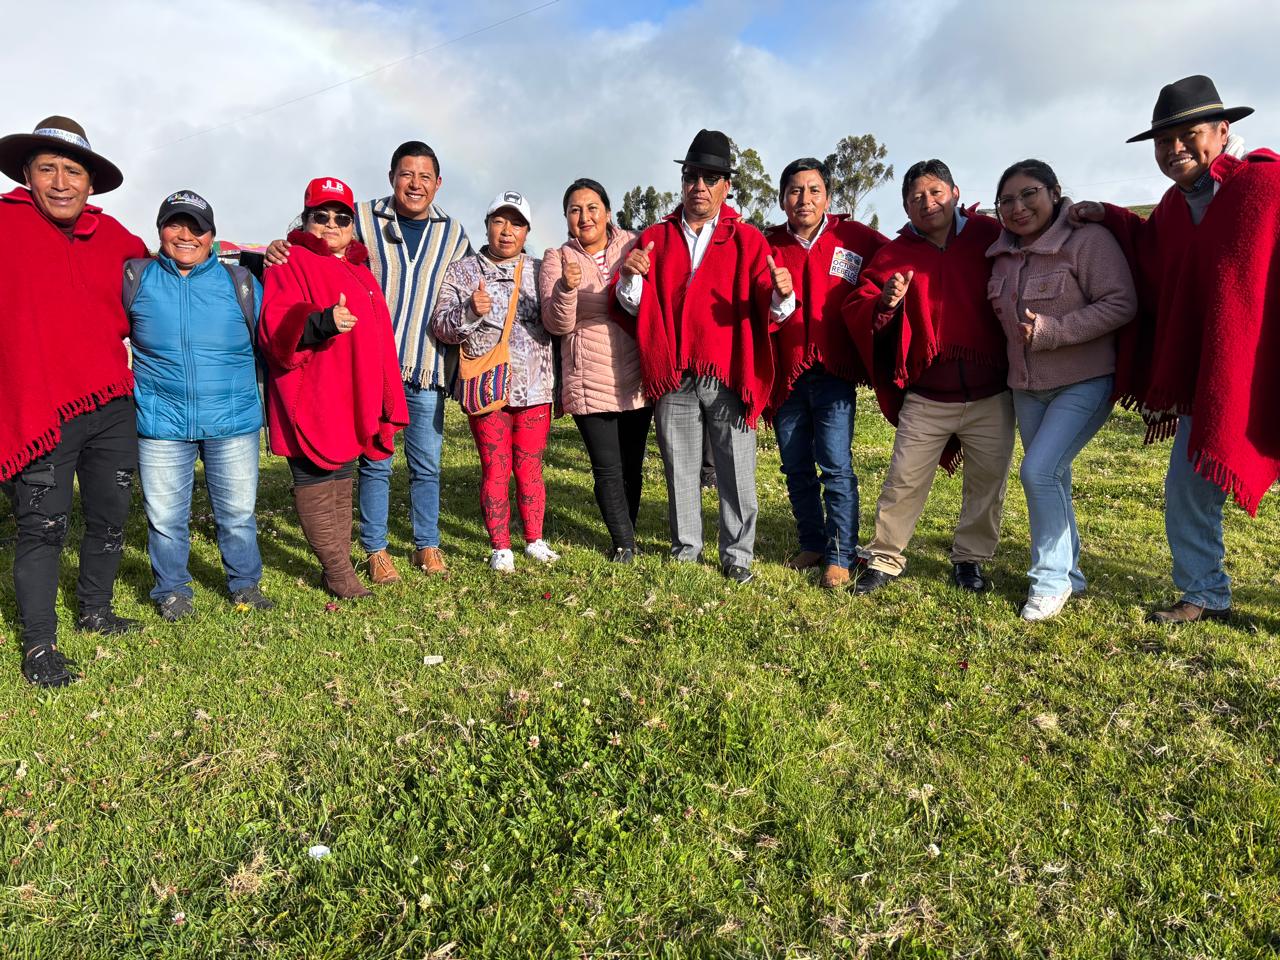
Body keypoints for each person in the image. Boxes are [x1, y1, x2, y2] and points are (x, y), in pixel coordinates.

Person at [1071, 75, 1280, 624]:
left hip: (1271, 366)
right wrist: (1110, 216)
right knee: (1187, 490)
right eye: (1164, 141)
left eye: (1189, 135)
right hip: (1217, 377)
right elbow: (1150, 255)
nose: (1175, 149)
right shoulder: (1170, 208)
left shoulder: (1265, 185)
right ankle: (1204, 593)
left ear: (1223, 131)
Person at [265, 142, 470, 584]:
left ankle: (427, 543)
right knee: (375, 462)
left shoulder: (454, 234)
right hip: (369, 370)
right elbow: (312, 240)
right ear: (391, 176)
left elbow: (465, 285)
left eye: (425, 176)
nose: (415, 184)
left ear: (438, 183)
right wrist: (280, 245)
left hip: (425, 361)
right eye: (406, 174)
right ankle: (375, 550)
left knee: (427, 464)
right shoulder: (362, 216)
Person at [0, 116, 147, 687]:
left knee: (110, 514)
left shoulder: (115, 238)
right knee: (43, 525)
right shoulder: (5, 224)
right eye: (48, 169)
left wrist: (272, 255)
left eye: (73, 171)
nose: (61, 183)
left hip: (110, 403)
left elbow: (169, 272)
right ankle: (40, 644)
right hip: (40, 408)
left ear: (90, 182)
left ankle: (96, 610)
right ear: (27, 175)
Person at [616, 129, 795, 585]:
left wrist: (782, 294)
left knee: (737, 469)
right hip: (674, 371)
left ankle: (738, 556)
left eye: (710, 178)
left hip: (729, 371)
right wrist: (630, 278)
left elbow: (770, 309)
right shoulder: (655, 237)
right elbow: (636, 308)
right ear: (682, 181)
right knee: (680, 467)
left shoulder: (748, 240)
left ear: (726, 186)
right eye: (692, 176)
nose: (699, 185)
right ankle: (686, 551)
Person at [845, 159, 1013, 596]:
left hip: (991, 393)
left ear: (955, 193)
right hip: (927, 395)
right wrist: (885, 303)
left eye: (936, 192)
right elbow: (860, 303)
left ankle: (970, 560)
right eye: (916, 197)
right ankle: (884, 558)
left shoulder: (989, 235)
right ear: (905, 207)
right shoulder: (894, 254)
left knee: (987, 483)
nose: (928, 202)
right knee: (903, 480)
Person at [985, 161, 1136, 621]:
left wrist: (1053, 331)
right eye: (1006, 200)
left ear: (1054, 192)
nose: (1018, 207)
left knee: (1038, 473)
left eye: (1028, 194)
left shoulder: (1087, 241)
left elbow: (1120, 303)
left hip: (1084, 381)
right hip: (1027, 388)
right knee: (1054, 477)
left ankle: (1049, 581)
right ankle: (1070, 572)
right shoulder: (1000, 256)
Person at [127, 190, 275, 621]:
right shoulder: (136, 279)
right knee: (165, 518)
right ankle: (172, 590)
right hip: (161, 422)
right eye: (176, 224)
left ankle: (245, 584)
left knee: (237, 514)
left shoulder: (240, 283)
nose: (186, 235)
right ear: (160, 230)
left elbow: (275, 337)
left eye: (197, 227)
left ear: (212, 235)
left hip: (232, 421)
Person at [258, 176, 409, 599]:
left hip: (350, 391)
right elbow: (274, 325)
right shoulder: (290, 260)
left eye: (341, 218)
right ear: (305, 219)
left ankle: (337, 564)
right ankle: (338, 570)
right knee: (314, 477)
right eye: (320, 216)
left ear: (352, 225)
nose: (331, 224)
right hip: (312, 392)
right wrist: (322, 322)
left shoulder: (359, 269)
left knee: (342, 477)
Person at [764, 157, 887, 588]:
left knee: (835, 466)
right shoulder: (768, 245)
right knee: (795, 466)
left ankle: (840, 553)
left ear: (828, 197)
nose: (805, 198)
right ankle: (812, 542)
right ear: (782, 199)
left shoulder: (854, 237)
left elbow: (899, 255)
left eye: (814, 190)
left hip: (834, 373)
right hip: (786, 375)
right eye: (795, 190)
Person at [431, 191, 556, 573]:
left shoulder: (540, 271)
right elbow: (440, 326)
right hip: (487, 388)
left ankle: (534, 539)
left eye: (516, 223)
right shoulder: (462, 271)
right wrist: (470, 311)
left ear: (526, 230)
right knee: (496, 467)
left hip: (535, 389)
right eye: (499, 221)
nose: (506, 230)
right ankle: (501, 547)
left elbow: (560, 319)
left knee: (530, 467)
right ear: (487, 225)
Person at [538, 178, 648, 562]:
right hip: (587, 373)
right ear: (566, 218)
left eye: (592, 208)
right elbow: (555, 323)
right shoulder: (557, 258)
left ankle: (628, 530)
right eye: (575, 210)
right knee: (607, 467)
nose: (584, 217)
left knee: (633, 465)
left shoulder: (634, 244)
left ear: (608, 212)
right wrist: (566, 289)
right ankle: (624, 543)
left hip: (634, 371)